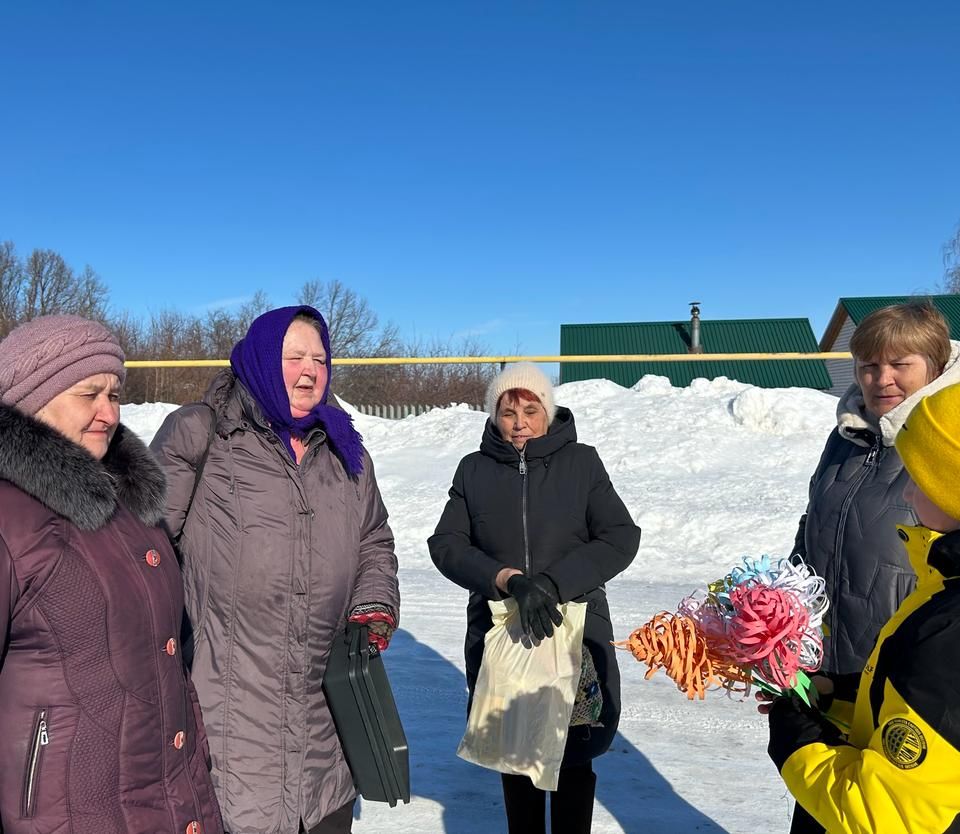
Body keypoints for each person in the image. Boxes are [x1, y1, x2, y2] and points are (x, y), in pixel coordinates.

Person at [150, 305, 400, 834]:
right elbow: (141, 552)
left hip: (325, 740)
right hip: (229, 735)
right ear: (262, 359)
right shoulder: (202, 436)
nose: (310, 371)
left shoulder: (344, 450)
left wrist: (372, 607)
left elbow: (373, 537)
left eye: (320, 359)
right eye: (294, 357)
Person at [767, 370, 960, 833]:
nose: (907, 491)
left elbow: (880, 816)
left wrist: (797, 739)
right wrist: (843, 703)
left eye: (923, 478)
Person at [0, 315, 222, 834]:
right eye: (89, 393)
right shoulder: (10, 519)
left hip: (173, 802)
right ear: (33, 398)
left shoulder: (132, 507)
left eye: (115, 394)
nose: (109, 412)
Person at [429, 362, 640, 834]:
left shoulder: (582, 463)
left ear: (548, 411)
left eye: (530, 409)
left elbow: (620, 537)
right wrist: (506, 579)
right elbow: (446, 544)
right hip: (504, 634)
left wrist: (552, 583)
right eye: (508, 411)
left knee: (573, 756)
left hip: (573, 635)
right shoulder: (474, 469)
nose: (520, 421)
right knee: (515, 751)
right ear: (493, 416)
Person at [792, 302, 960, 679]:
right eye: (868, 366)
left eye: (899, 365)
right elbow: (813, 523)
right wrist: (782, 615)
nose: (881, 379)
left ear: (936, 365)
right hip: (821, 662)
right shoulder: (846, 436)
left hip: (914, 668)